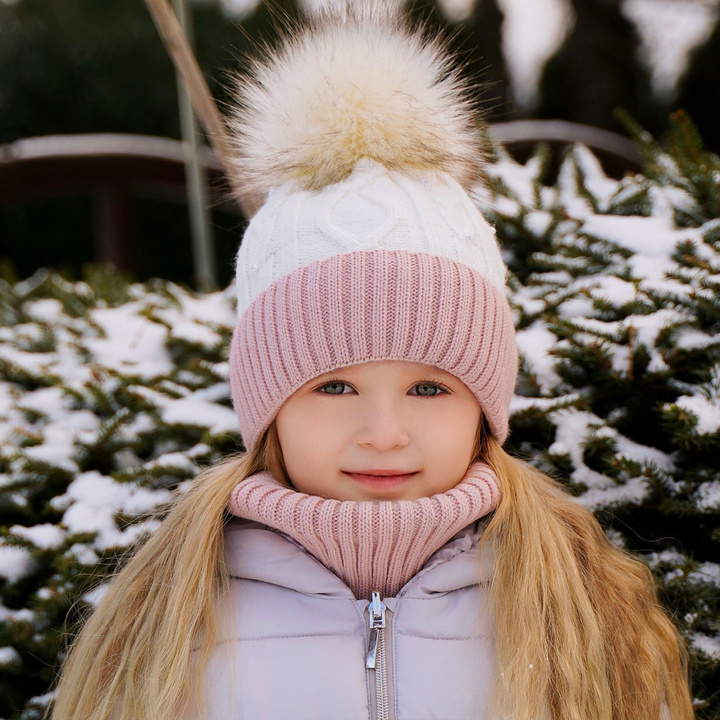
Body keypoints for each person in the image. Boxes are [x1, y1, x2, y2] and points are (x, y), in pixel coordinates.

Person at [51, 4, 694, 720]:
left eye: (428, 386)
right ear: (267, 407)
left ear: (485, 405)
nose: (383, 432)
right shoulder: (168, 620)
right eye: (333, 384)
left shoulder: (579, 608)